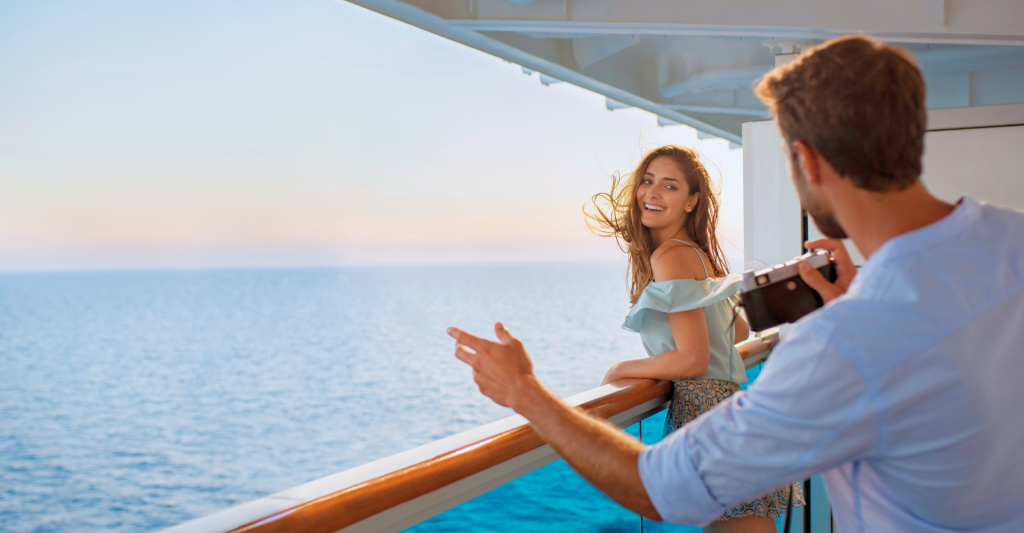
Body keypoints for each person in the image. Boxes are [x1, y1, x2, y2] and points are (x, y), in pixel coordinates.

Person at [448, 35, 1024, 532]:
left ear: (808, 161)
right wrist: (852, 303)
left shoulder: (845, 344)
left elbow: (657, 488)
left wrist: (526, 391)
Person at [586, 144, 803, 532]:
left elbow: (692, 360)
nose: (651, 192)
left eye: (669, 186)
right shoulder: (696, 253)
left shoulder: (671, 255)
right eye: (648, 181)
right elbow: (736, 331)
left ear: (691, 202)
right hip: (728, 412)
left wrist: (621, 368)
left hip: (709, 415)